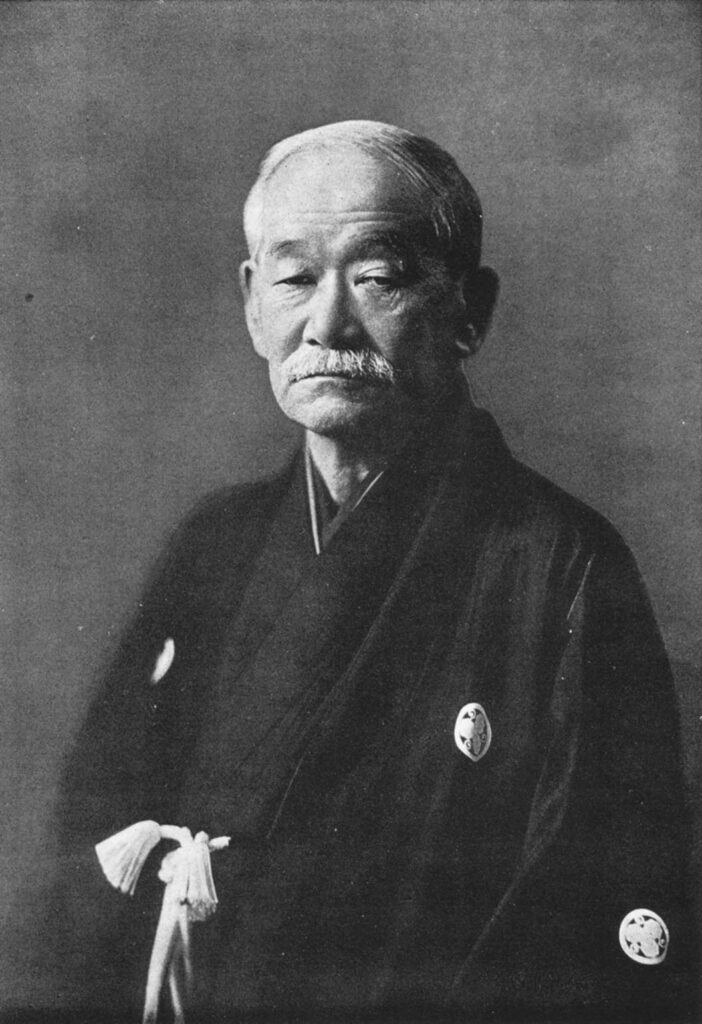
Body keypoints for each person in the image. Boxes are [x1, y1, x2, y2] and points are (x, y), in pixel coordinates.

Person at [59, 121, 696, 1022]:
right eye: (293, 280)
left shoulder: (559, 562)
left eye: (379, 278)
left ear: (470, 310)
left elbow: (586, 914)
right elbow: (85, 841)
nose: (326, 325)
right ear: (251, 305)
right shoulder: (214, 542)